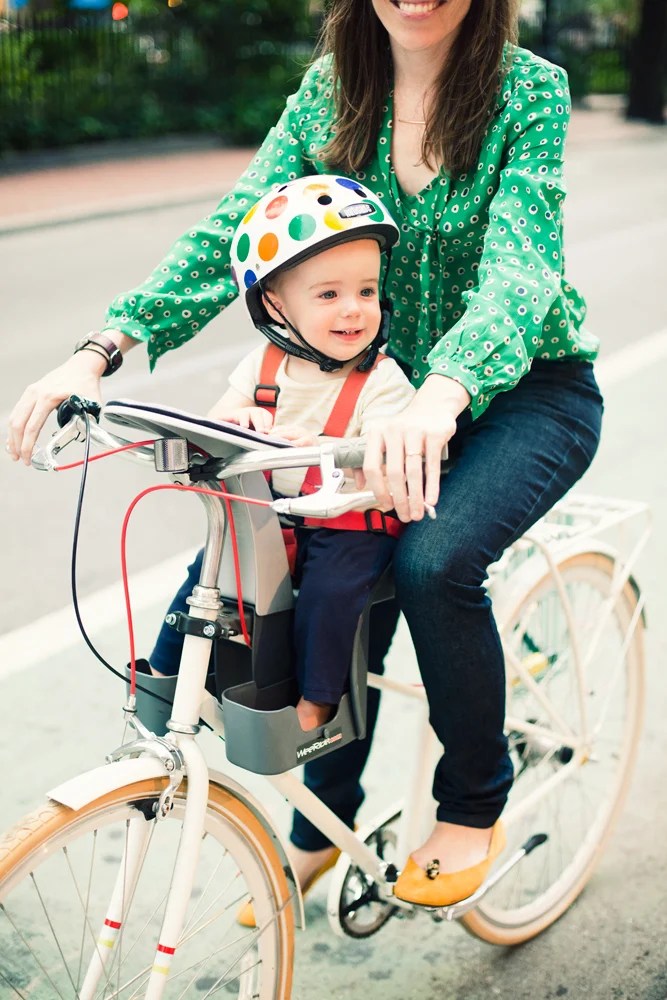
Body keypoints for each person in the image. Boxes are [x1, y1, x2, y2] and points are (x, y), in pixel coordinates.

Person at [7, 0, 603, 911]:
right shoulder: (332, 94)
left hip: (521, 390)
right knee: (320, 568)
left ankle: (472, 801)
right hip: (370, 400)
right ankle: (319, 824)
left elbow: (522, 268)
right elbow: (238, 234)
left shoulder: (528, 91)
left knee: (429, 561)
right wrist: (101, 348)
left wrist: (445, 392)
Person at [154, 176, 415, 734]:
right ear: (275, 302)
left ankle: (318, 700)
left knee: (331, 594)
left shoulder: (382, 380)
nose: (354, 310)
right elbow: (217, 422)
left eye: (366, 291)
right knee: (208, 573)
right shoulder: (262, 366)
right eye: (329, 295)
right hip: (277, 516)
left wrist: (330, 451)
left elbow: (387, 454)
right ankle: (164, 671)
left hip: (349, 521)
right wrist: (236, 420)